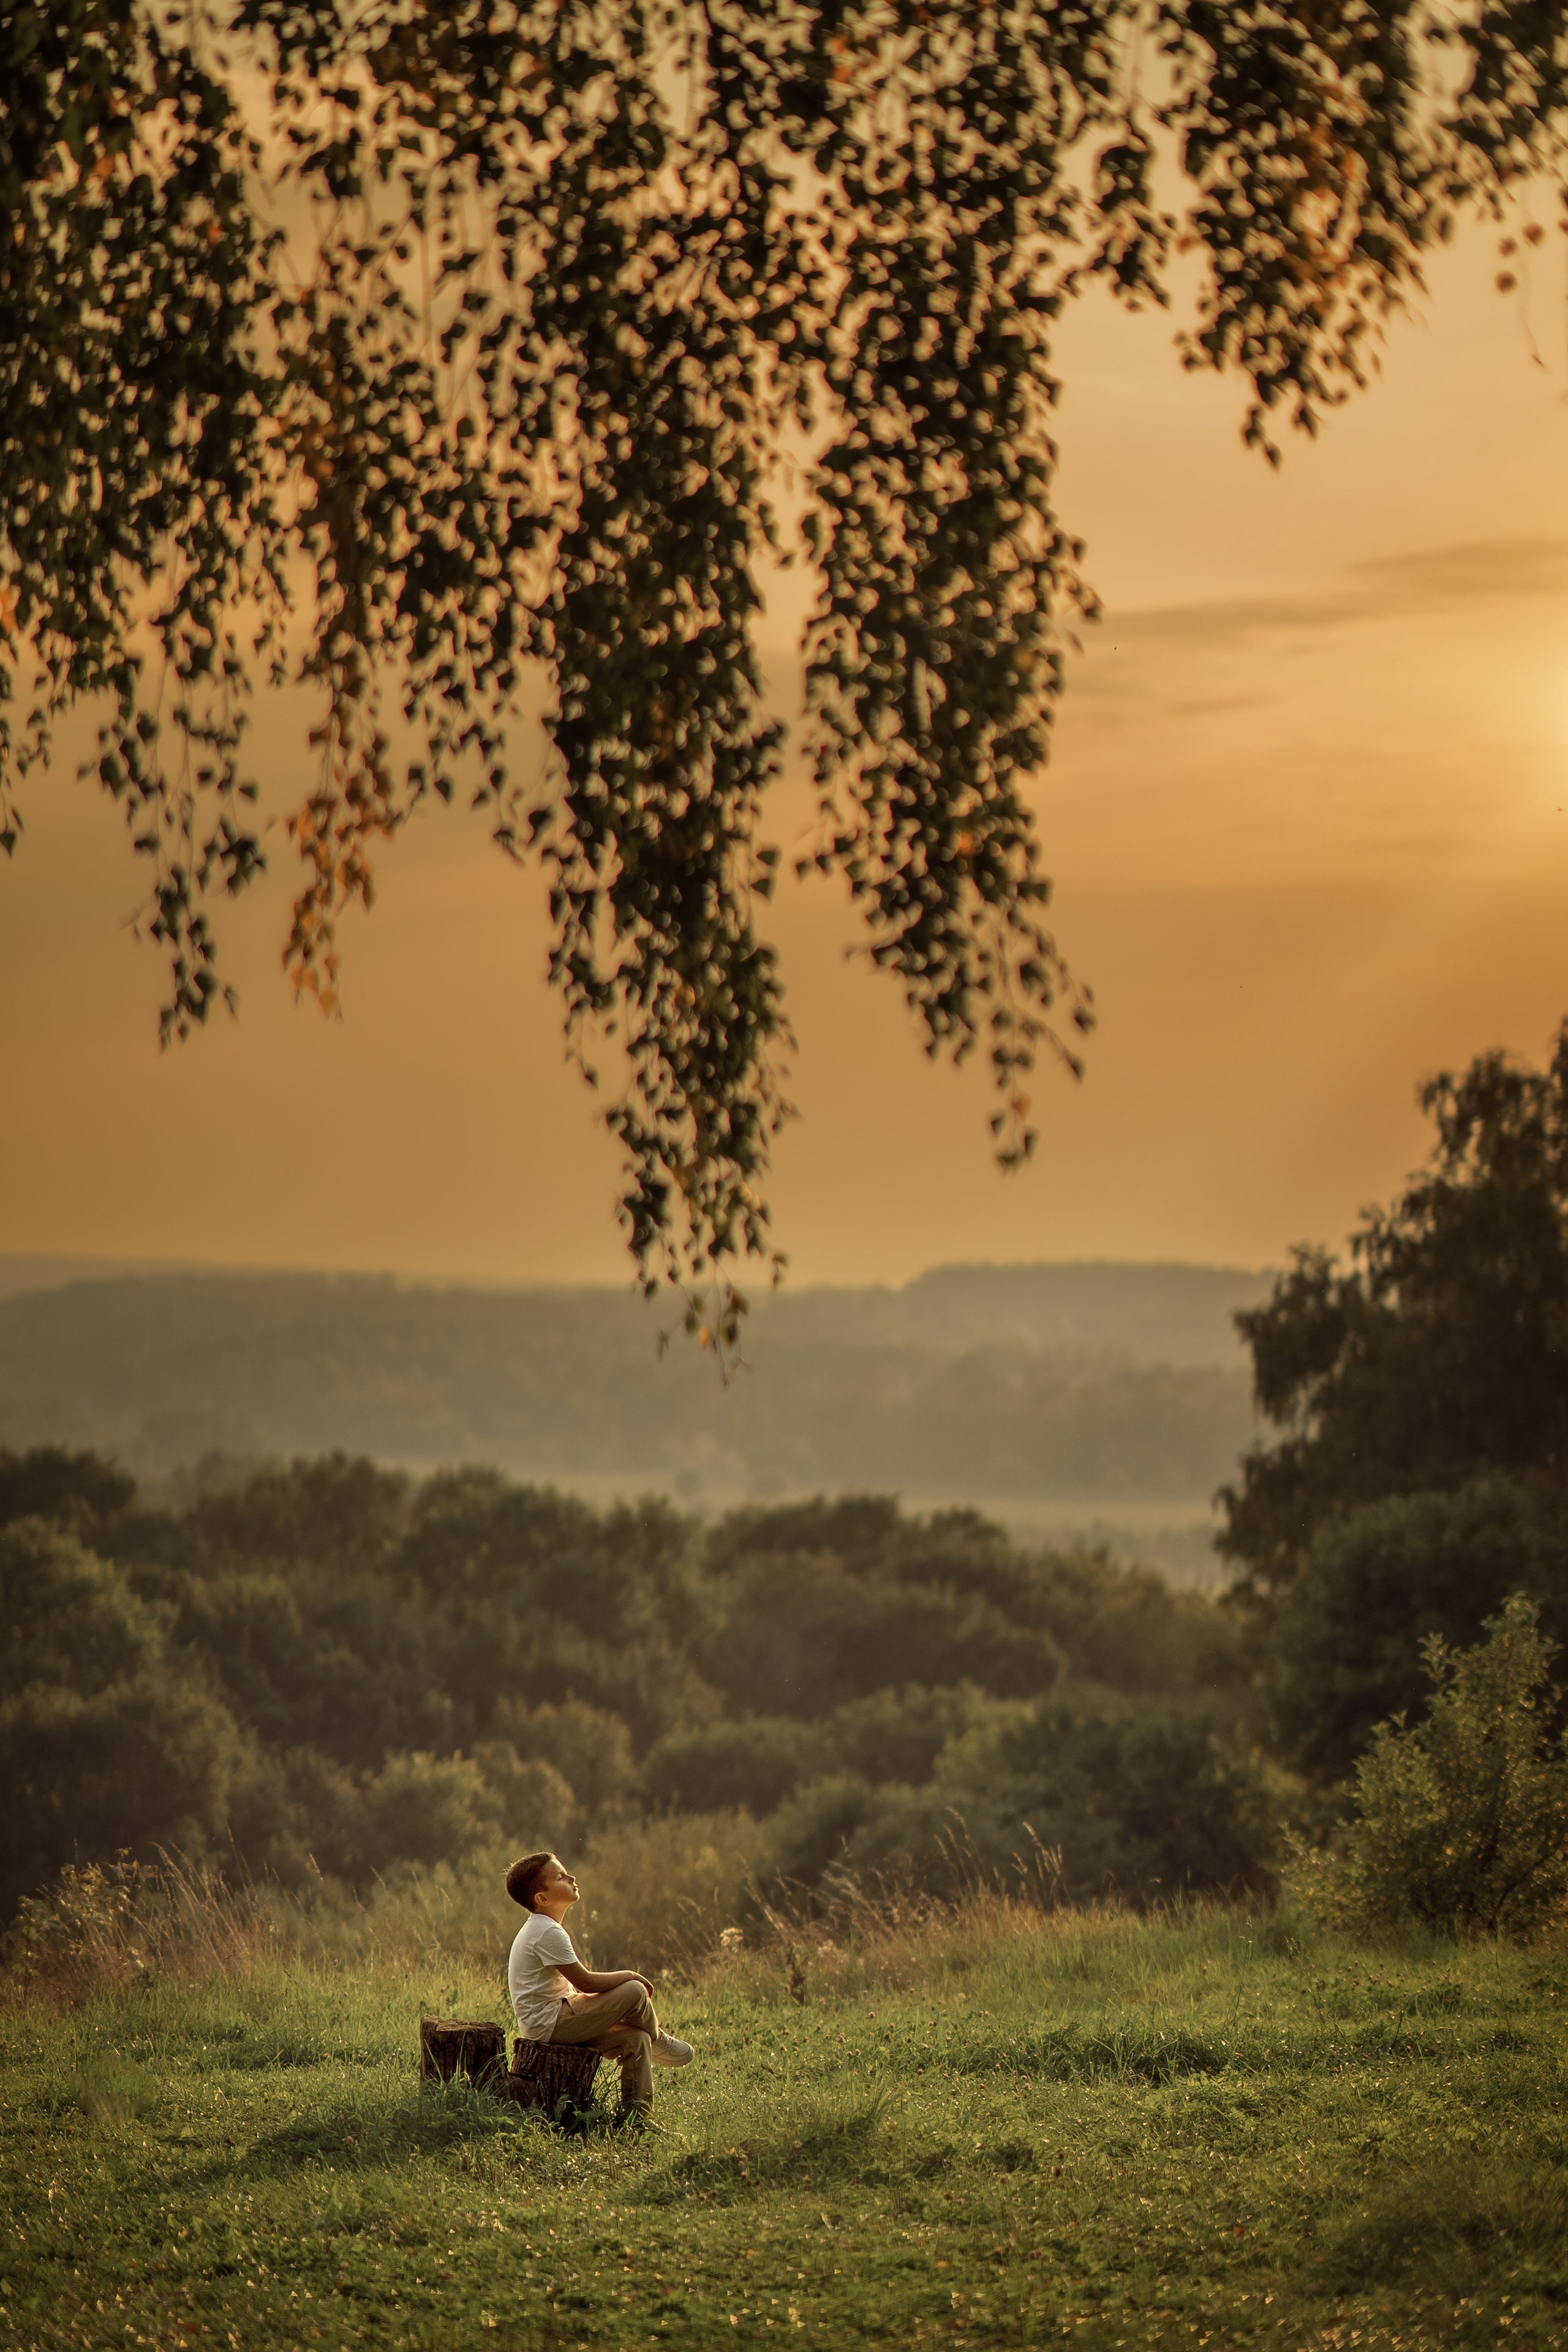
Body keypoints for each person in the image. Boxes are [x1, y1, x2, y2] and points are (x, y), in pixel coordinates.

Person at [505, 1851, 693, 2122]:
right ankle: (657, 2037)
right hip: (552, 2022)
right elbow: (586, 1982)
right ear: (542, 1898)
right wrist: (631, 1975)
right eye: (560, 1877)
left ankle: (635, 2119)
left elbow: (579, 1987)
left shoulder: (544, 1927)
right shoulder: (546, 1931)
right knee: (635, 1991)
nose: (571, 1878)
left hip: (558, 2019)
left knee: (635, 2041)